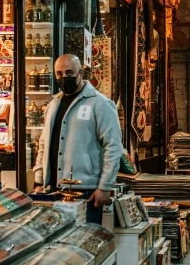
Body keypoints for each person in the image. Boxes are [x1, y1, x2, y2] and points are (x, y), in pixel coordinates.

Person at [33, 53, 123, 224]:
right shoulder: (53, 105)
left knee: (84, 243)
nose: (63, 77)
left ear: (81, 73)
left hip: (86, 191)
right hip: (53, 189)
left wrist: (105, 186)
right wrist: (39, 180)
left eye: (69, 73)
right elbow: (43, 144)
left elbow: (113, 147)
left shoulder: (100, 104)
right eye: (59, 74)